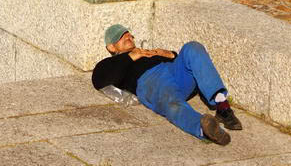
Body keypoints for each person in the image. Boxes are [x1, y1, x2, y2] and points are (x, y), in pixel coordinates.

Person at [92, 24, 243, 145]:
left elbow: (186, 63)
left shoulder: (148, 51)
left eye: (129, 34)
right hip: (150, 83)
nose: (128, 36)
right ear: (111, 47)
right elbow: (98, 79)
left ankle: (223, 108)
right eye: (121, 36)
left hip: (174, 71)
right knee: (172, 104)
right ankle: (205, 128)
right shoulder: (110, 63)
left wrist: (171, 55)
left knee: (192, 47)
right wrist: (131, 56)